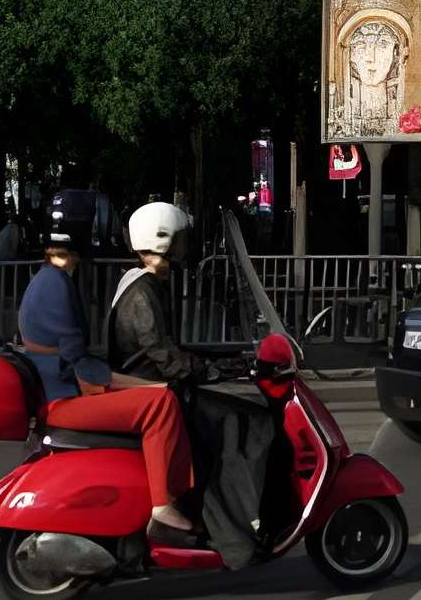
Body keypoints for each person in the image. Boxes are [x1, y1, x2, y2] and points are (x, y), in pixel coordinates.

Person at [108, 202, 277, 569]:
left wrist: (223, 358)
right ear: (164, 240)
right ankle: (235, 535)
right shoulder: (143, 293)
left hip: (160, 385)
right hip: (156, 390)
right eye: (181, 238)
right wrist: (213, 371)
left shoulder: (145, 281)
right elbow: (161, 353)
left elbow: (169, 348)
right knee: (246, 424)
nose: (188, 245)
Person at [19, 203, 196, 542]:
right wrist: (142, 385)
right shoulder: (57, 285)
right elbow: (77, 361)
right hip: (63, 397)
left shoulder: (50, 277)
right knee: (160, 404)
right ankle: (162, 507)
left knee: (157, 392)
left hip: (60, 388)